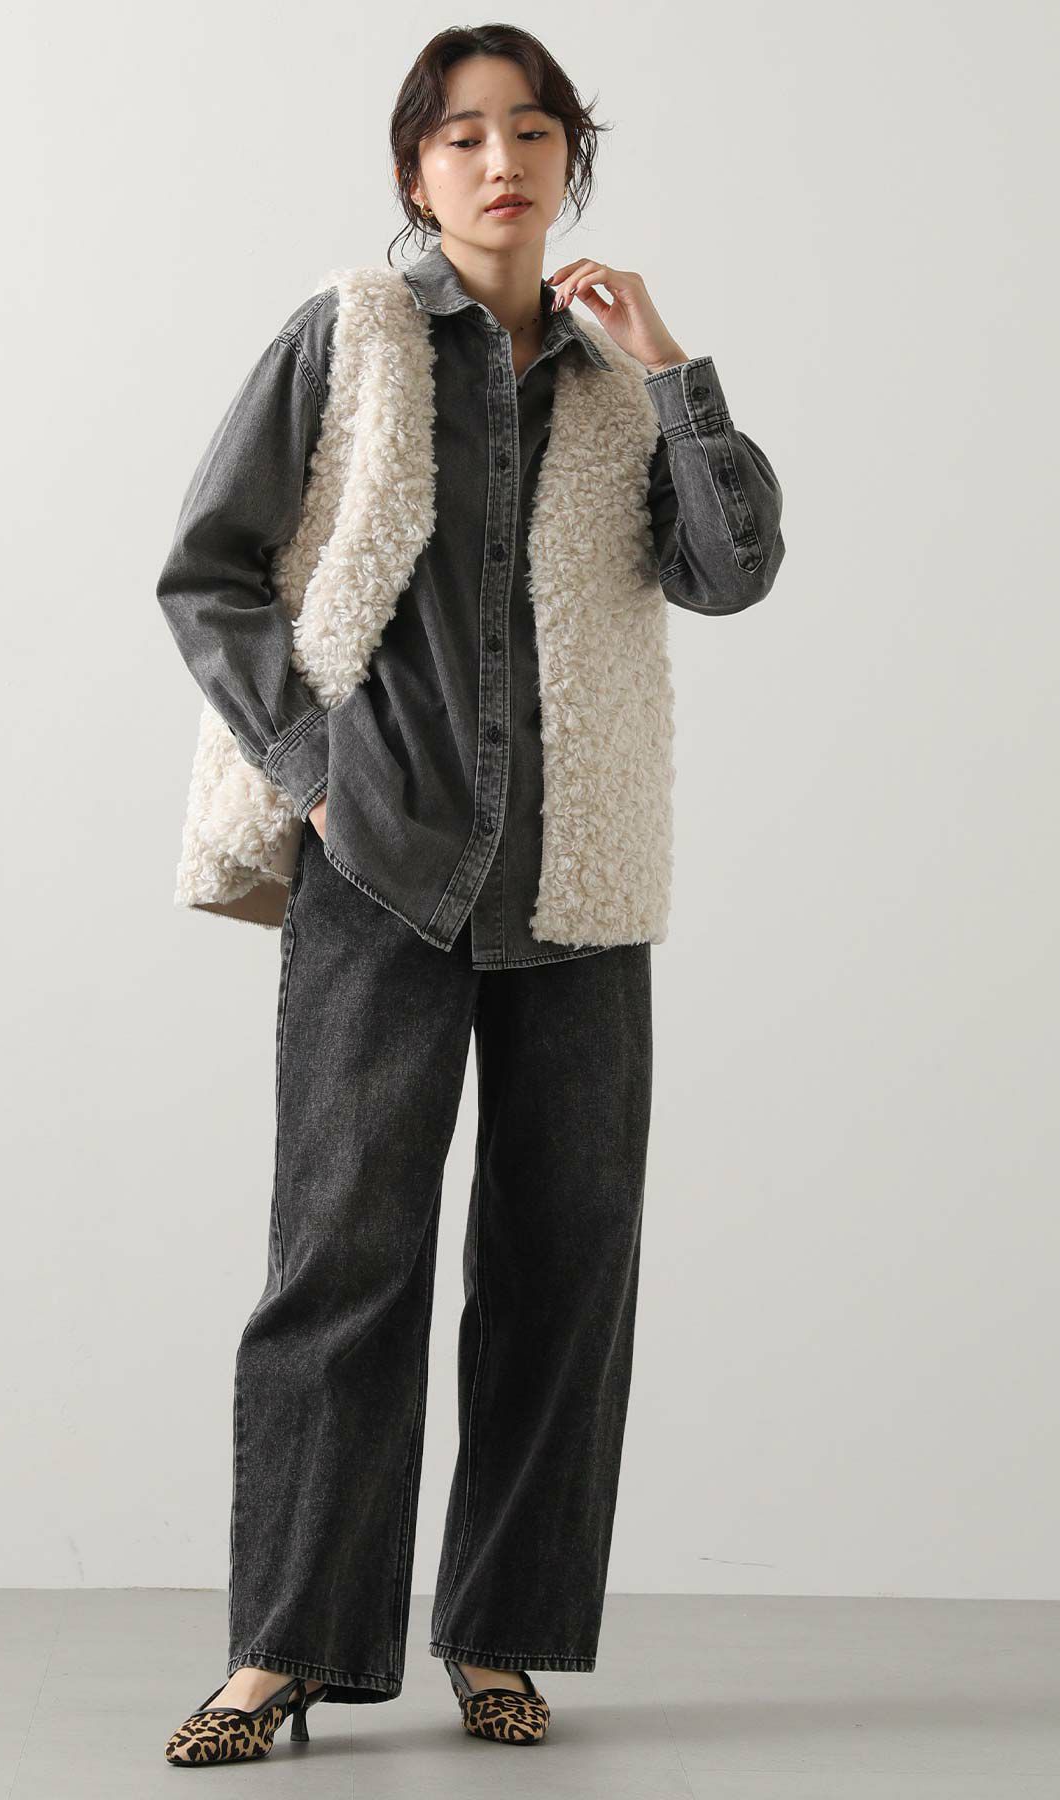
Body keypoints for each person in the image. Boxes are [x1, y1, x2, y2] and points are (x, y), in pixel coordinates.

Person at [155, 22, 785, 1768]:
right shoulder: (348, 336)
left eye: (533, 131)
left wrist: (673, 368)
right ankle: (284, 1653)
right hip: (385, 871)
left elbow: (730, 570)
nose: (500, 162)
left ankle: (500, 1636)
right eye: (461, 137)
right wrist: (315, 770)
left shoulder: (614, 379)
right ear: (414, 171)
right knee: (343, 1264)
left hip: (581, 878)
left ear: (573, 156)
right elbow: (208, 571)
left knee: (564, 1266)